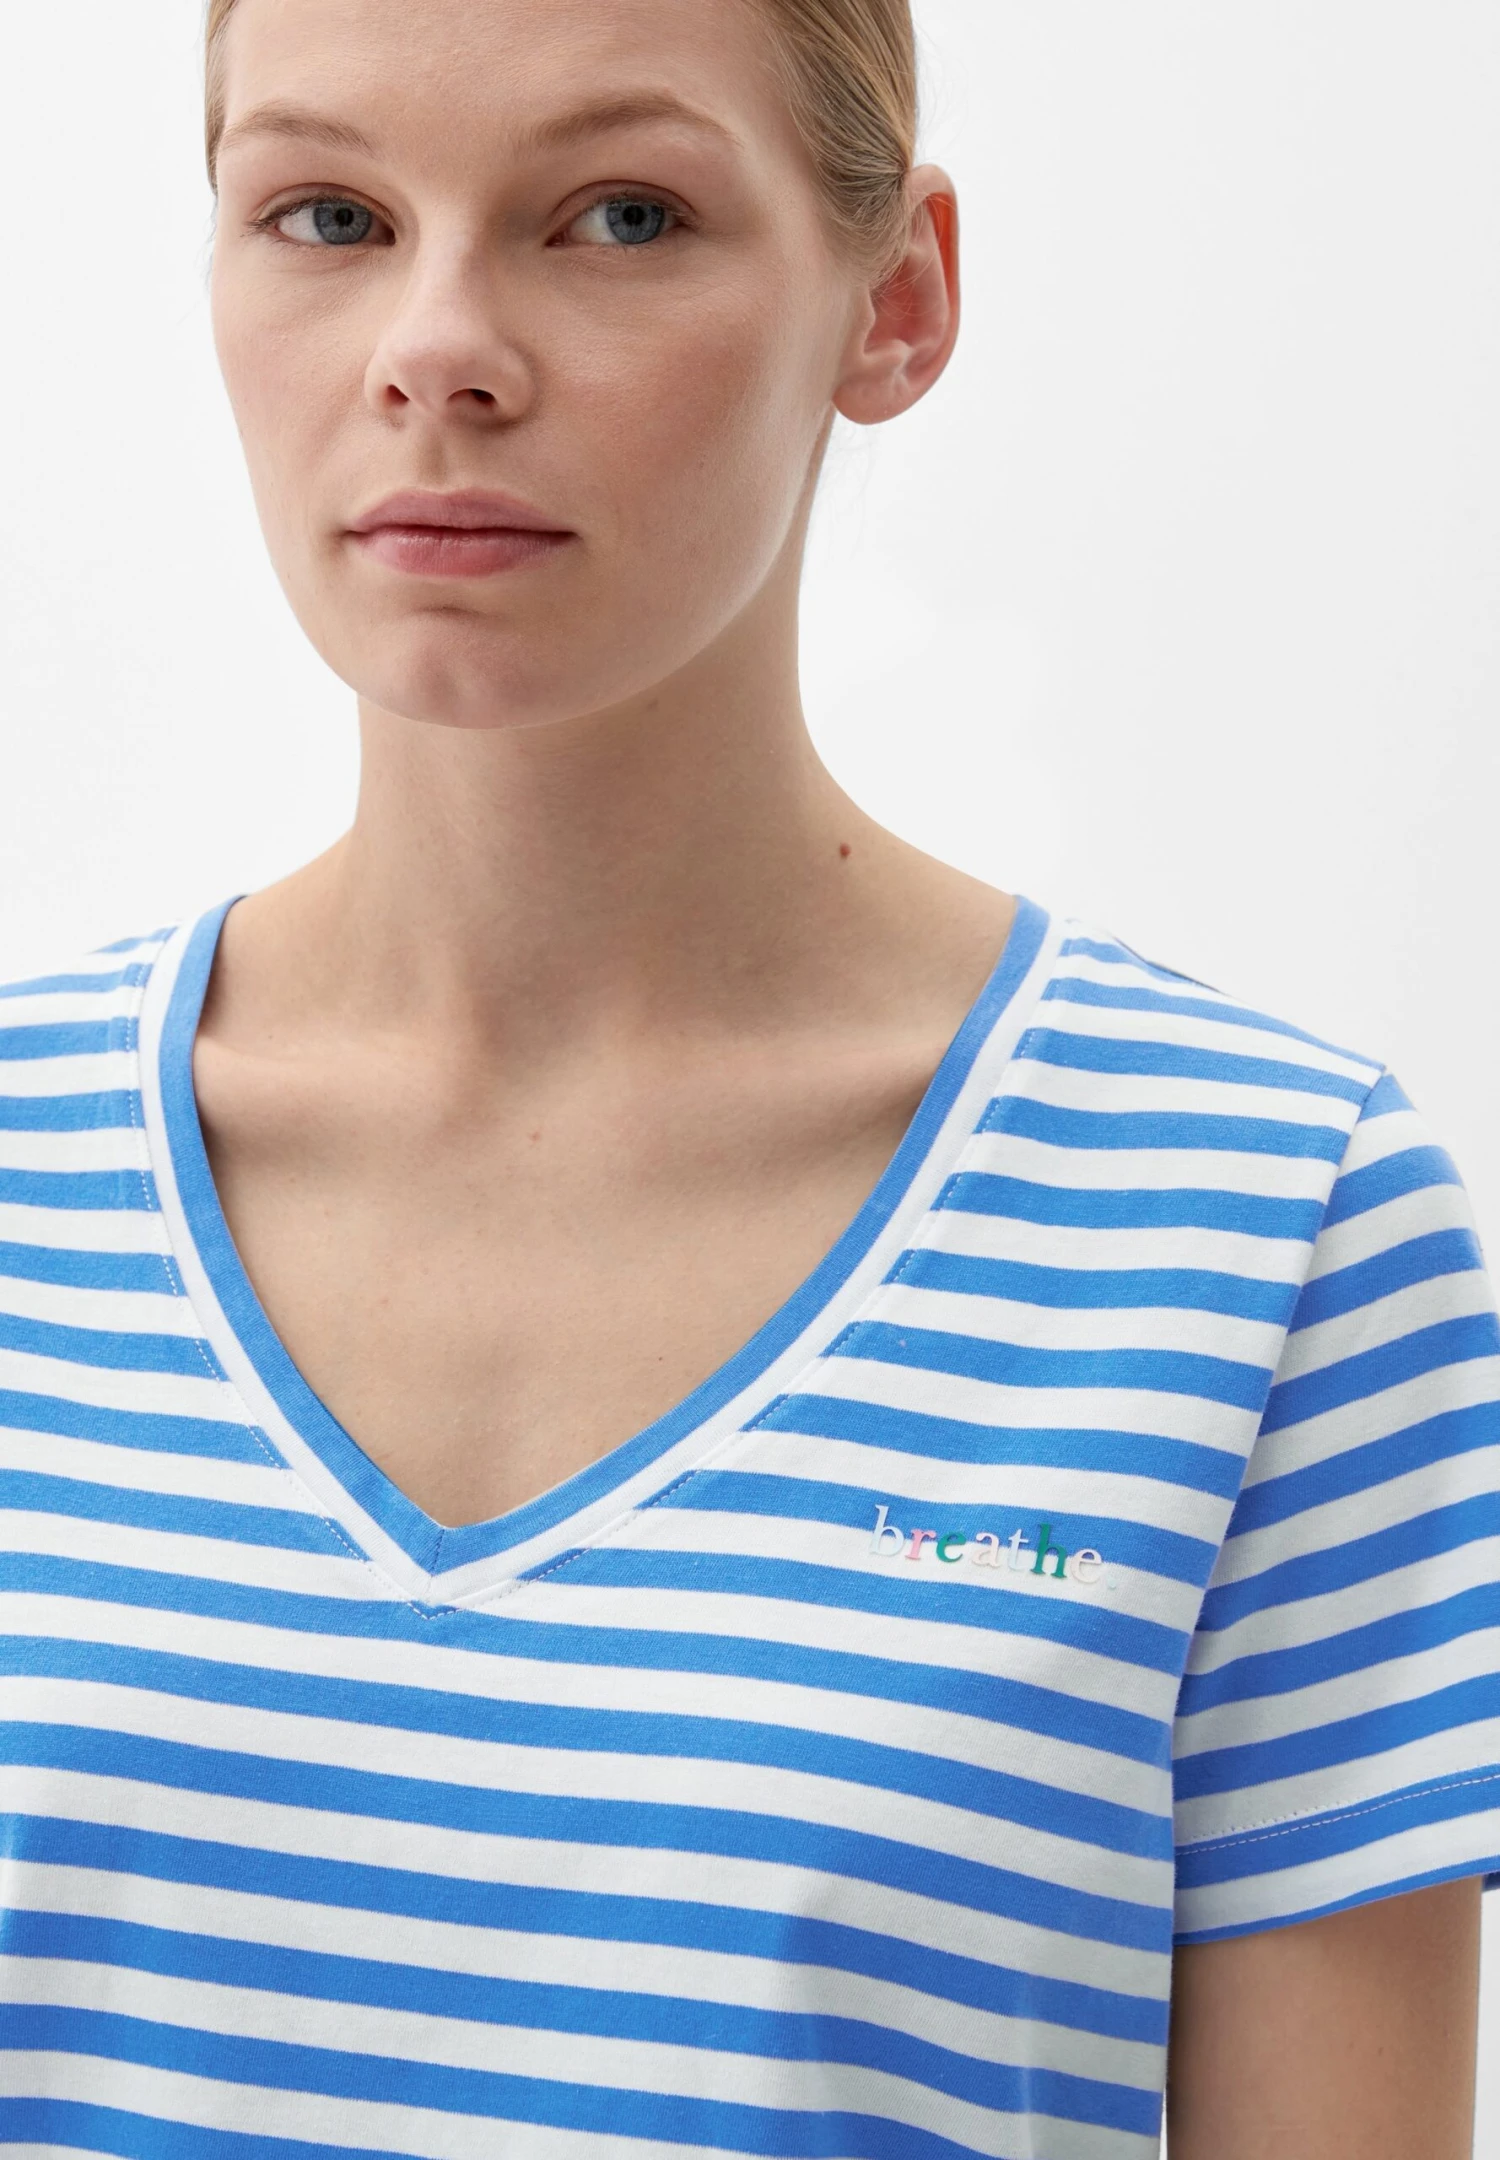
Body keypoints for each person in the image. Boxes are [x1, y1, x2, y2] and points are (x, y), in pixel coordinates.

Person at [0, 0, 1494, 2152]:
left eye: (621, 215)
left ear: (897, 301)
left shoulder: (1273, 1241)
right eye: (328, 215)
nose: (437, 350)